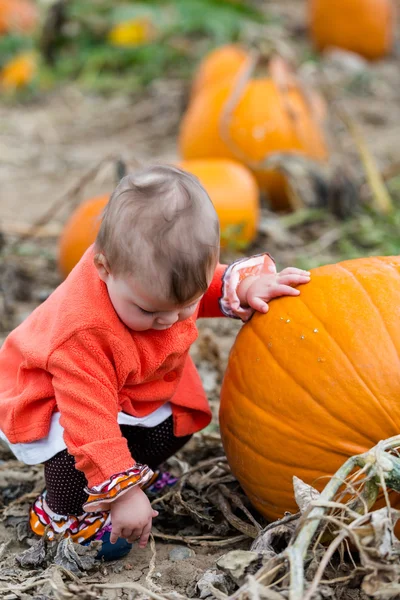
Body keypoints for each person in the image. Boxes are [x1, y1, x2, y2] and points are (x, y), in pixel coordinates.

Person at [0, 165, 310, 561]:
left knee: (177, 421)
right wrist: (123, 492)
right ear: (104, 268)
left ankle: (130, 468)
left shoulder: (154, 284)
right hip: (55, 393)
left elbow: (196, 284)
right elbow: (88, 420)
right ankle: (62, 512)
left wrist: (243, 287)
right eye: (150, 309)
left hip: (128, 383)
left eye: (187, 306)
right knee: (70, 454)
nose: (170, 321)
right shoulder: (82, 333)